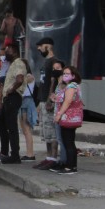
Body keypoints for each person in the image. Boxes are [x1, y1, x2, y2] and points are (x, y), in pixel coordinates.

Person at [0, 43, 27, 164]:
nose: (5, 53)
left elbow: (19, 79)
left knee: (12, 127)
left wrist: (10, 90)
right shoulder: (13, 64)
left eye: (7, 50)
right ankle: (12, 153)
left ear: (14, 51)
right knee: (8, 126)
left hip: (13, 97)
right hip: (9, 98)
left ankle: (15, 155)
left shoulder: (18, 63)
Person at [33, 37, 59, 170]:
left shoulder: (55, 62)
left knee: (51, 131)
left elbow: (55, 82)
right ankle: (48, 157)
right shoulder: (46, 62)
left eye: (40, 46)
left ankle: (54, 158)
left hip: (49, 102)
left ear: (48, 46)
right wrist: (39, 102)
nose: (38, 48)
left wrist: (50, 99)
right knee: (45, 132)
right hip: (43, 101)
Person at [53, 66, 83, 175]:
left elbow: (68, 101)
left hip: (68, 118)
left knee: (68, 142)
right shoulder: (71, 86)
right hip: (70, 117)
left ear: (73, 76)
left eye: (67, 74)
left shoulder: (71, 86)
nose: (65, 75)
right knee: (69, 141)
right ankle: (71, 165)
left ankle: (70, 167)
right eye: (64, 73)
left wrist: (59, 114)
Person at [19, 58, 37, 160]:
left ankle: (30, 154)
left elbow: (22, 83)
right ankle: (29, 152)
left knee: (27, 129)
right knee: (25, 130)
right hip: (23, 102)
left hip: (26, 102)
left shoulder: (29, 77)